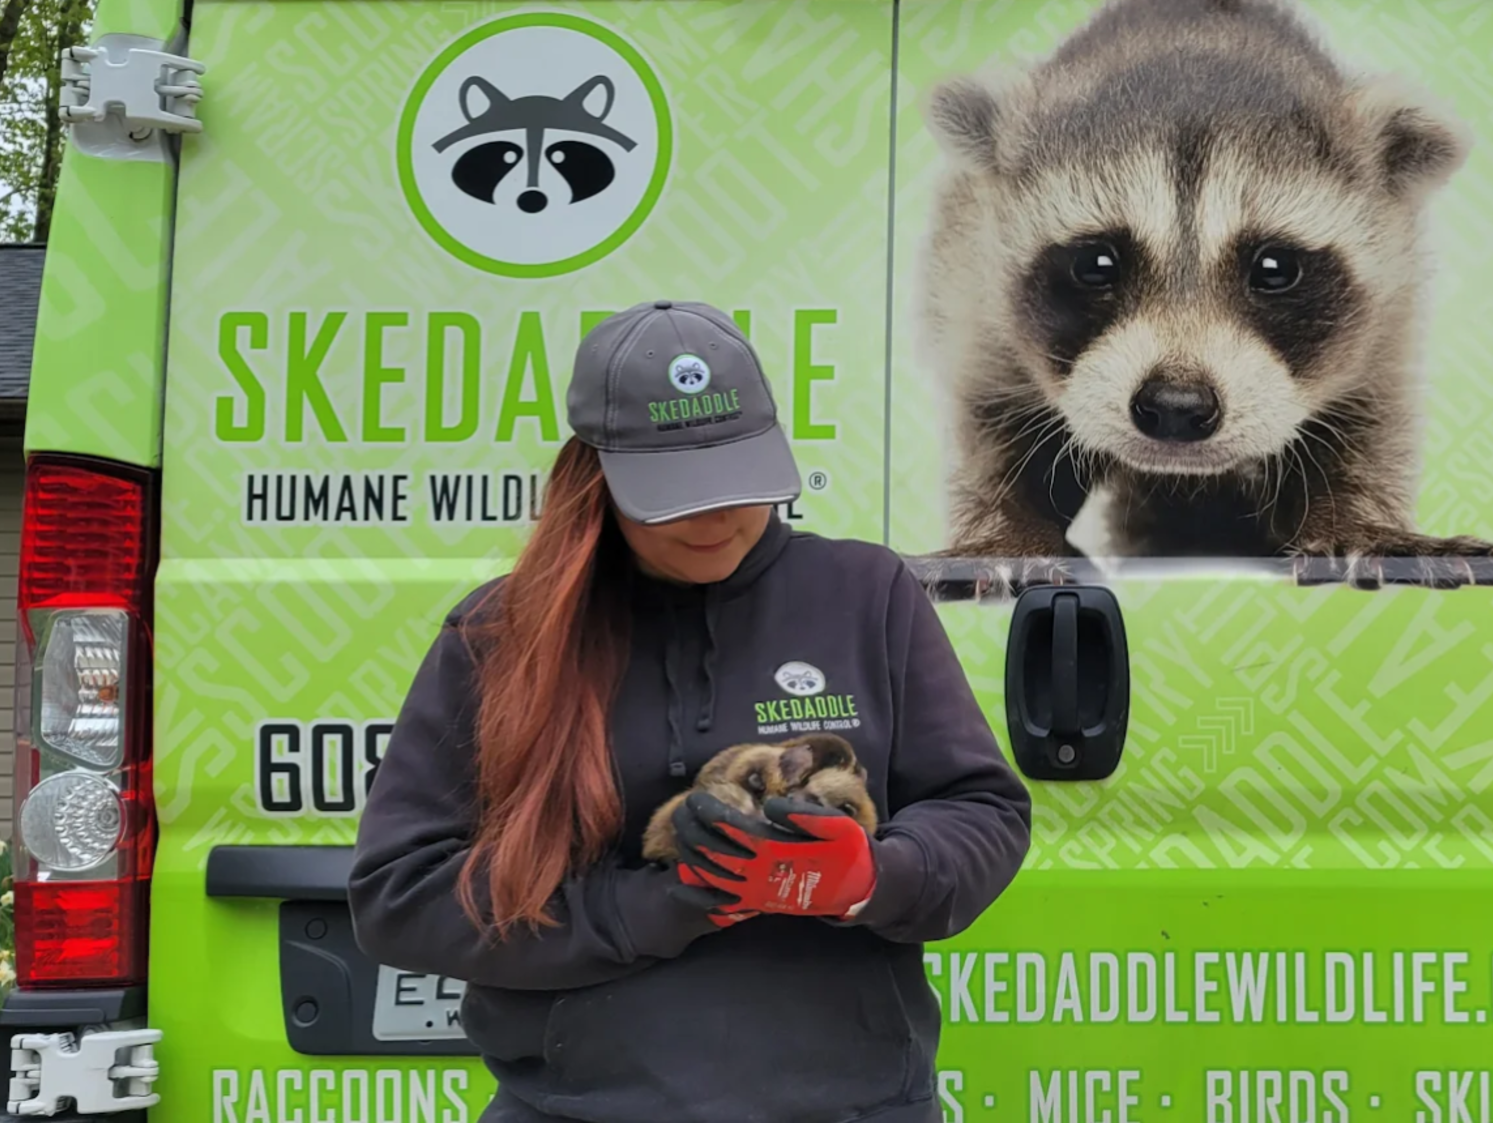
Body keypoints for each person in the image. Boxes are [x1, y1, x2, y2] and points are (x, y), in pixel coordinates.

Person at [348, 299, 1033, 1123]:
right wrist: (662, 902)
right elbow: (401, 895)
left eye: (738, 484)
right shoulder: (504, 635)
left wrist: (870, 877)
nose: (718, 519)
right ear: (596, 476)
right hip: (576, 1109)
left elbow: (983, 809)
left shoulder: (866, 593)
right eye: (675, 495)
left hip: (854, 1105)